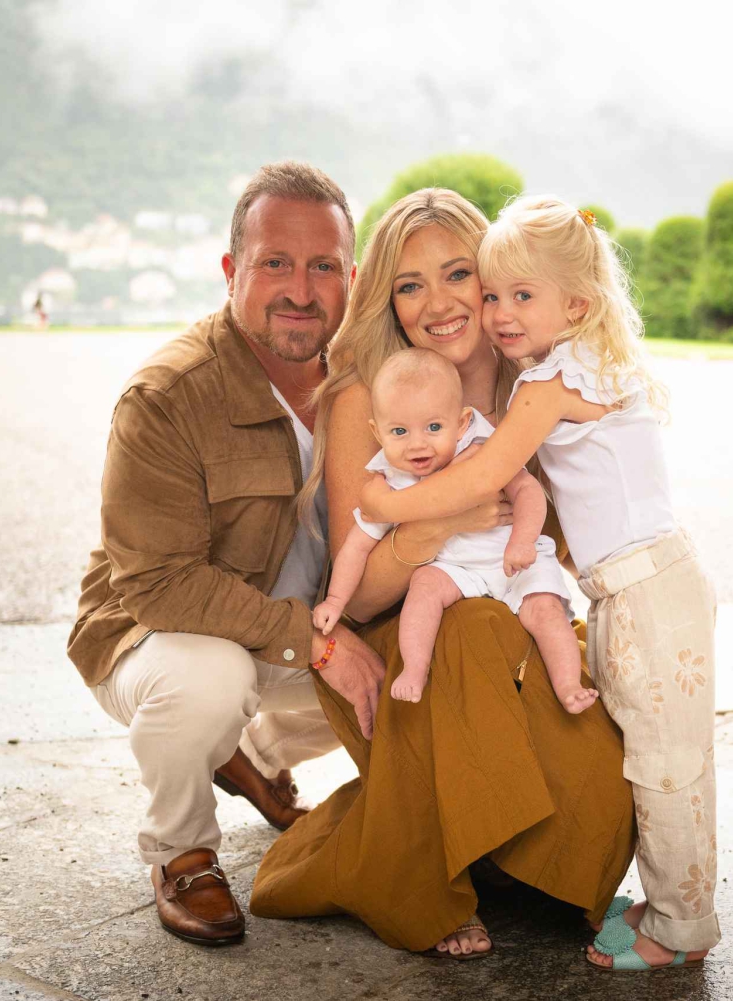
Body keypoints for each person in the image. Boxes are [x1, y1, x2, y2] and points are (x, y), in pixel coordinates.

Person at [249, 188, 635, 959]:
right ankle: (422, 880)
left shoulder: (535, 377)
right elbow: (355, 589)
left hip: (519, 609)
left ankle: (531, 854)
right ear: (387, 299)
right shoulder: (372, 389)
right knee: (467, 629)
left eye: (458, 274)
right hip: (401, 634)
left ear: (490, 278)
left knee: (571, 710)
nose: (438, 303)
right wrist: (437, 525)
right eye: (409, 284)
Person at [358, 196, 719, 971]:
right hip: (635, 586)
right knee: (654, 752)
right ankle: (668, 904)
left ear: (576, 304)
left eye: (522, 295)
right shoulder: (580, 365)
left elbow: (486, 476)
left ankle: (680, 929)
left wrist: (383, 500)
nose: (497, 312)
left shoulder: (545, 388)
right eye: (494, 293)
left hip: (647, 591)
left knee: (665, 761)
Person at [66, 161, 386, 946]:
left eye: (321, 267)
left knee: (424, 661)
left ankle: (251, 754)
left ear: (350, 277)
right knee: (207, 676)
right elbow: (161, 586)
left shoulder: (373, 383)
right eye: (274, 262)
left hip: (289, 632)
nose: (300, 290)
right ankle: (182, 853)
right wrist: (317, 642)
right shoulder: (168, 396)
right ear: (231, 270)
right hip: (154, 636)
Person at [314, 347, 596, 712]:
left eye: (434, 427)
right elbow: (355, 547)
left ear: (462, 423)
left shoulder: (482, 450)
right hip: (457, 570)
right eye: (399, 431)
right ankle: (415, 670)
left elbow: (528, 491)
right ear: (377, 432)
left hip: (512, 557)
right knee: (424, 586)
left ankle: (568, 685)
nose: (418, 443)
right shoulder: (391, 480)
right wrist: (335, 601)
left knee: (544, 611)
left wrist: (523, 541)